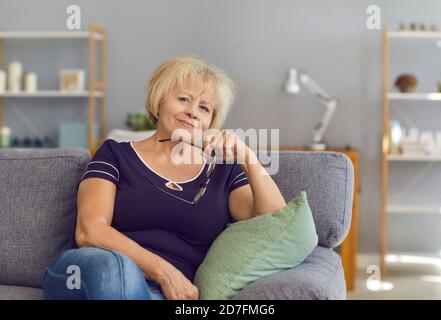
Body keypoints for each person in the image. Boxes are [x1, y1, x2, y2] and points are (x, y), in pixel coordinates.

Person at [43, 56, 286, 300]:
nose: (192, 112)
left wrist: (247, 157)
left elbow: (275, 222)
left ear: (211, 121)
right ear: (158, 101)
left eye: (204, 108)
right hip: (91, 271)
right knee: (115, 273)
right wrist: (164, 271)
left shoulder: (224, 172)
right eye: (183, 99)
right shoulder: (115, 154)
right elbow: (90, 231)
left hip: (161, 294)